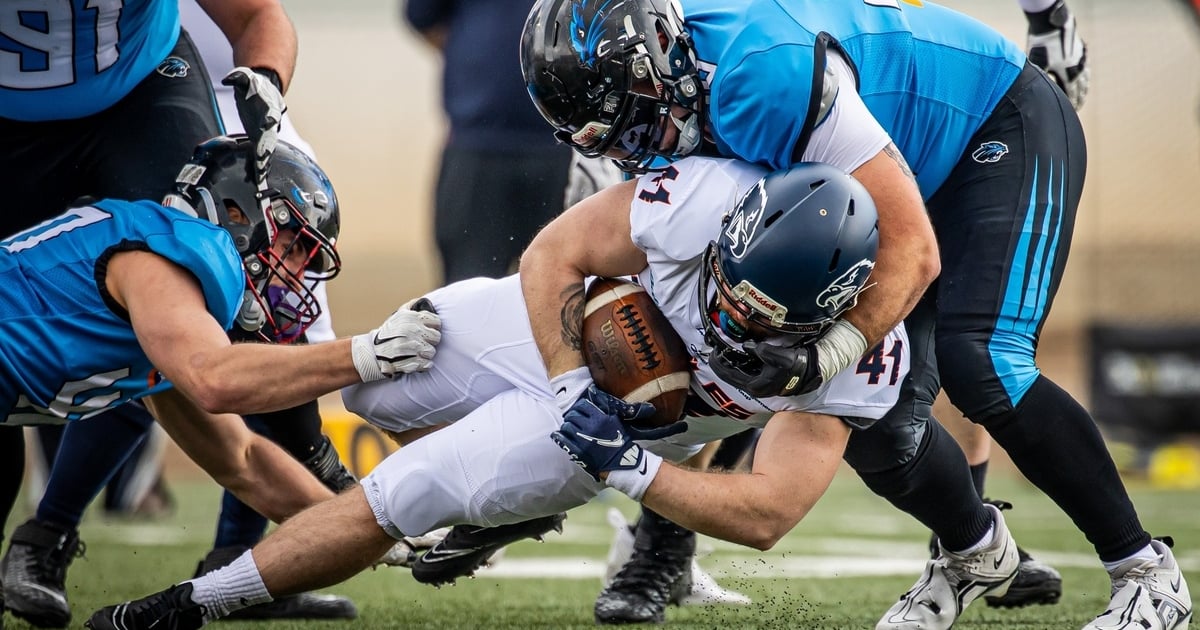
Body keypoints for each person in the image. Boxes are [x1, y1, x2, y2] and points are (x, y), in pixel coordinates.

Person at [88, 159, 1028, 630]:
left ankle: (191, 604)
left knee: (404, 493)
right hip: (552, 327)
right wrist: (572, 371)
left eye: (760, 316)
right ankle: (484, 500)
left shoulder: (867, 360)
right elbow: (552, 254)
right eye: (725, 287)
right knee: (380, 388)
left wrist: (626, 469)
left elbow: (766, 513)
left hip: (615, 435)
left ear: (830, 316)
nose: (732, 317)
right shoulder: (706, 194)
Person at [520, 0, 1191, 628]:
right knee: (872, 414)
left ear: (661, 58)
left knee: (981, 359)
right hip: (879, 185)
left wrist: (827, 352)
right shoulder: (653, 100)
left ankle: (1146, 571)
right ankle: (970, 553)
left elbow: (915, 249)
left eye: (635, 125)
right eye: (607, 139)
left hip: (991, 126)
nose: (635, 148)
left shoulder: (760, 78)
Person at [0, 135, 442, 630]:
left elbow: (245, 463)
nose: (295, 272)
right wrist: (365, 353)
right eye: (292, 245)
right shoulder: (163, 254)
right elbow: (216, 380)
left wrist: (378, 529)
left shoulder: (171, 318)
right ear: (237, 212)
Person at [0, 1, 294, 627]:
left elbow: (256, 16)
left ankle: (51, 534)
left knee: (193, 314)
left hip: (140, 92)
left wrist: (265, 77)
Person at [403, 0, 574, 283]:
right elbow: (423, 18)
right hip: (478, 149)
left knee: (566, 286)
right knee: (467, 288)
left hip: (570, 145)